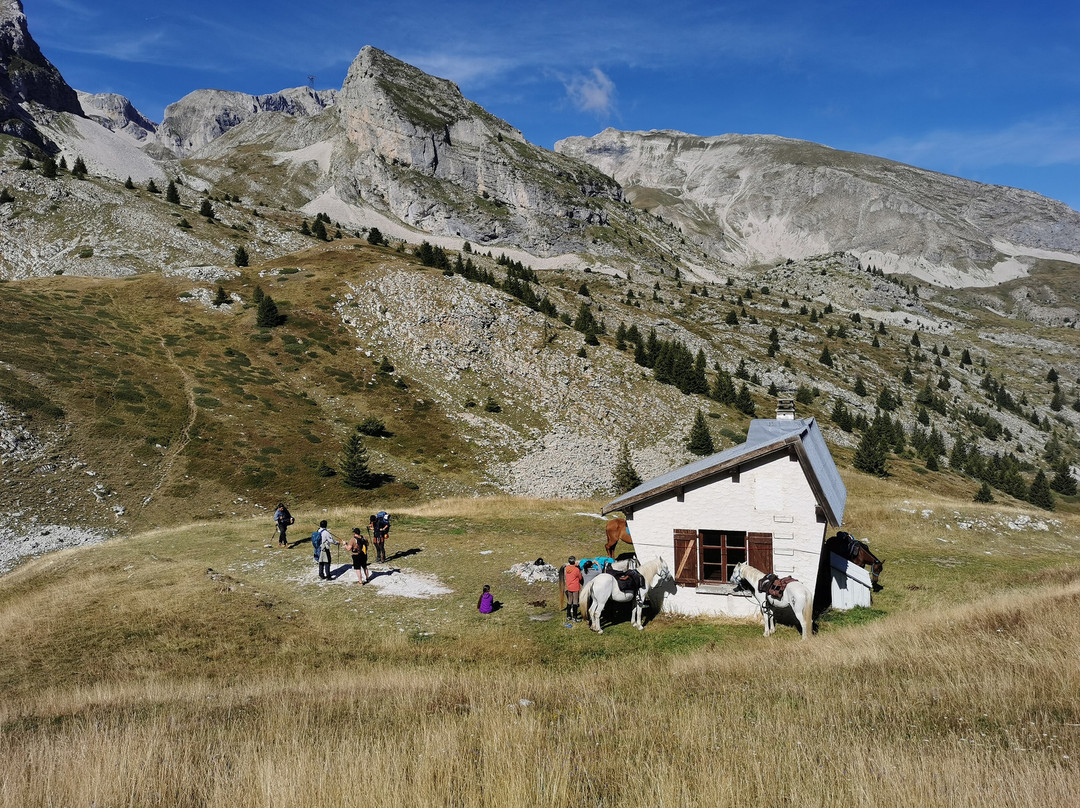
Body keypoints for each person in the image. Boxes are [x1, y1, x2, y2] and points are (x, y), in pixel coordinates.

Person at [563, 556, 583, 623]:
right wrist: (578, 567)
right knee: (575, 602)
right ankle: (575, 617)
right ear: (574, 561)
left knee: (569, 601)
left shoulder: (566, 568)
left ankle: (568, 615)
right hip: (575, 587)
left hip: (569, 586)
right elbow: (580, 577)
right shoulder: (576, 570)